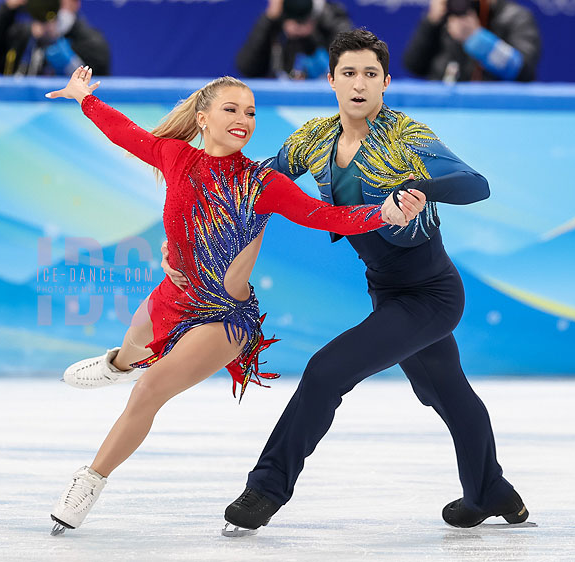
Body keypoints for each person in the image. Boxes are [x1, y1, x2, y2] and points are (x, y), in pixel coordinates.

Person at [43, 66, 425, 535]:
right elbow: (124, 132)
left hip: (225, 318)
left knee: (149, 390)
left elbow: (325, 215)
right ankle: (116, 364)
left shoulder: (263, 182)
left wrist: (383, 212)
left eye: (250, 112)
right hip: (175, 294)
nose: (243, 118)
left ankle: (90, 480)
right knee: (133, 346)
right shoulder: (175, 156)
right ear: (202, 118)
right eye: (231, 109)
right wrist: (85, 97)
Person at [213, 29, 529, 533]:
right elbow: (260, 180)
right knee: (444, 392)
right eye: (348, 73)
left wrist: (418, 185)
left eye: (370, 74)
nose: (359, 84)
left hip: (431, 295)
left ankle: (266, 488)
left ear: (385, 82)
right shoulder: (315, 139)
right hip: (387, 292)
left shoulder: (405, 136)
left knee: (324, 371)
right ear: (332, 80)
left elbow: (477, 185)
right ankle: (492, 491)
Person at [403, 0, 541, 82]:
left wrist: (475, 38)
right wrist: (431, 22)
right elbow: (414, 65)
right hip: (445, 108)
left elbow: (523, 71)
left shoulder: (516, 17)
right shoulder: (447, 13)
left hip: (496, 109)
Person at [0, 0, 110, 76]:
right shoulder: (21, 35)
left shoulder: (92, 43)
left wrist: (67, 61)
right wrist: (7, 9)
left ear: (75, 3)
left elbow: (100, 94)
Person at [236, 0, 351, 79]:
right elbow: (248, 69)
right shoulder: (275, 21)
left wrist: (310, 36)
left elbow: (349, 65)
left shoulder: (330, 18)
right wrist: (268, 20)